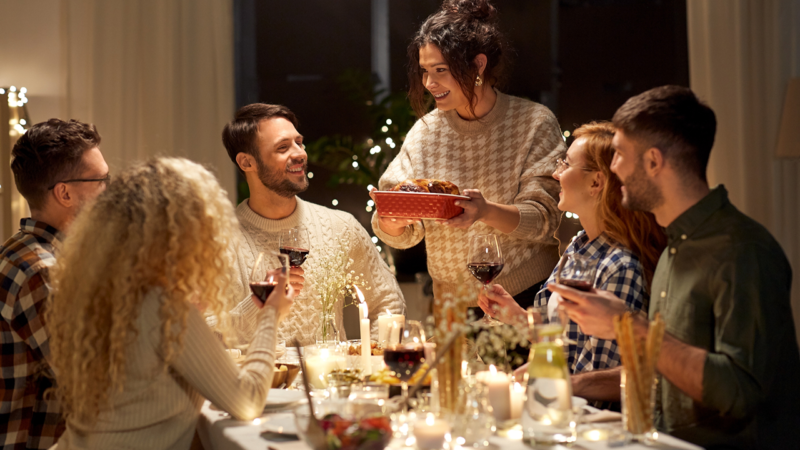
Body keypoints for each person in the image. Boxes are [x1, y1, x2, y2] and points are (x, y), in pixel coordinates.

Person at [550, 86, 800, 448]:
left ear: (653, 162)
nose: (614, 169)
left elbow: (740, 391)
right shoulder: (673, 250)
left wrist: (630, 328)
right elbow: (668, 367)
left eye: (619, 155)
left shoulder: (743, 251)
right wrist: (577, 383)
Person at [47, 158, 293, 449]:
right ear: (179, 233)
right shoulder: (162, 306)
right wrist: (270, 316)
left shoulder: (106, 296)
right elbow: (247, 400)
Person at [371, 0, 564, 310]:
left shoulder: (533, 122)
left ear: (478, 65)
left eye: (441, 71)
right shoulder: (425, 133)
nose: (429, 83)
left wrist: (485, 211)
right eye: (424, 72)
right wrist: (393, 220)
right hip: (452, 306)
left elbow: (547, 219)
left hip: (525, 298)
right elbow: (397, 229)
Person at [477, 122, 666, 404]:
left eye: (565, 164)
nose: (556, 173)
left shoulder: (619, 265)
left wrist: (549, 383)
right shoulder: (578, 246)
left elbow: (600, 382)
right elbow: (561, 343)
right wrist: (514, 315)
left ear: (596, 182)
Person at [222, 104, 404, 345]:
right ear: (247, 163)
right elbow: (198, 333)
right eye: (283, 147)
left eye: (299, 142)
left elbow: (388, 302)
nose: (300, 153)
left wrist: (370, 365)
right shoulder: (217, 240)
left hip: (330, 382)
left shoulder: (340, 226)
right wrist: (257, 303)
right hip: (258, 383)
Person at [0, 119, 109, 450]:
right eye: (102, 180)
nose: (110, 191)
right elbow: (100, 379)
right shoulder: (42, 272)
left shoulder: (28, 251)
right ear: (64, 192)